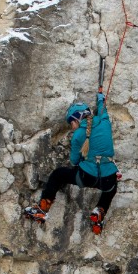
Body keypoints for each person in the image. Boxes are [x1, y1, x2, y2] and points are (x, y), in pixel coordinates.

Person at [24, 90, 118, 235]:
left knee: (58, 174)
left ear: (77, 119)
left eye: (71, 123)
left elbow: (74, 161)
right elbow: (103, 108)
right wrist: (100, 98)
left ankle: (42, 208)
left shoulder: (78, 135)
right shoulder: (105, 122)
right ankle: (99, 212)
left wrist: (85, 159)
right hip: (108, 178)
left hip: (86, 176)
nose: (72, 126)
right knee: (111, 188)